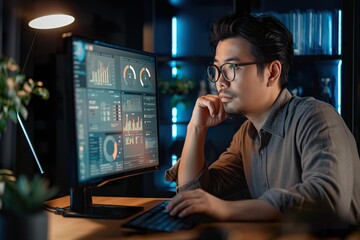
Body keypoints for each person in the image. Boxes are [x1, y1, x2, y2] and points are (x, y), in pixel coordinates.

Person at [164, 12, 360, 225]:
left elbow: (328, 201)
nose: (219, 82)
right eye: (217, 69)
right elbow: (193, 196)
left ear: (272, 72)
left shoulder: (316, 118)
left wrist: (226, 209)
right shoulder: (246, 136)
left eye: (231, 68)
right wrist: (196, 127)